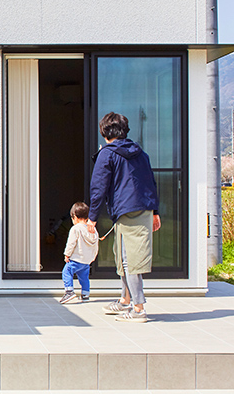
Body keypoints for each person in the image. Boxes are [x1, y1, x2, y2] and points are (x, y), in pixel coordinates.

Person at [87, 112, 160, 323]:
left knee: (130, 261)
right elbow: (151, 183)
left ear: (104, 132)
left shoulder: (107, 154)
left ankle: (138, 309)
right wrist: (155, 212)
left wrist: (92, 218)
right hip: (141, 210)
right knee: (123, 258)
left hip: (127, 211)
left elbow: (98, 187)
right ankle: (125, 300)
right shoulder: (140, 153)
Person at [60, 202, 98, 304]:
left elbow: (71, 243)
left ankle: (69, 291)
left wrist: (67, 254)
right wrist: (92, 257)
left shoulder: (75, 229)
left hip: (76, 259)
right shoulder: (92, 229)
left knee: (66, 272)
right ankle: (85, 294)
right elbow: (95, 245)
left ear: (75, 217)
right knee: (84, 277)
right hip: (86, 261)